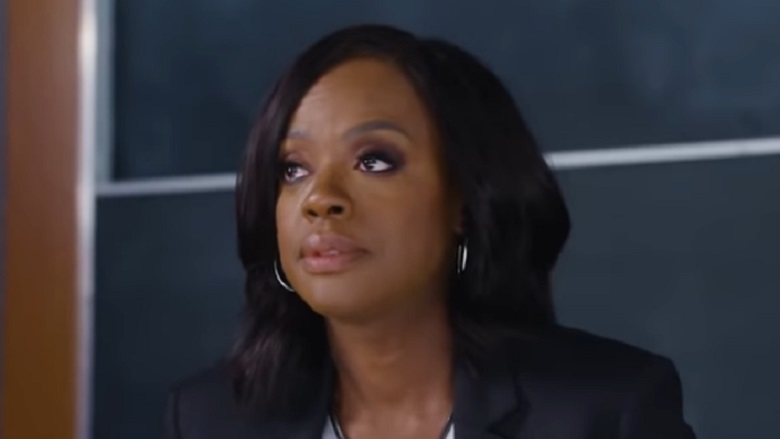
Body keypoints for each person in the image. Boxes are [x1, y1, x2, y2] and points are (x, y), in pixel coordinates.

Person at [164, 24, 696, 439]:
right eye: (293, 169)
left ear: (465, 198)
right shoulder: (208, 421)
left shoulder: (607, 412)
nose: (320, 198)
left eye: (374, 160)